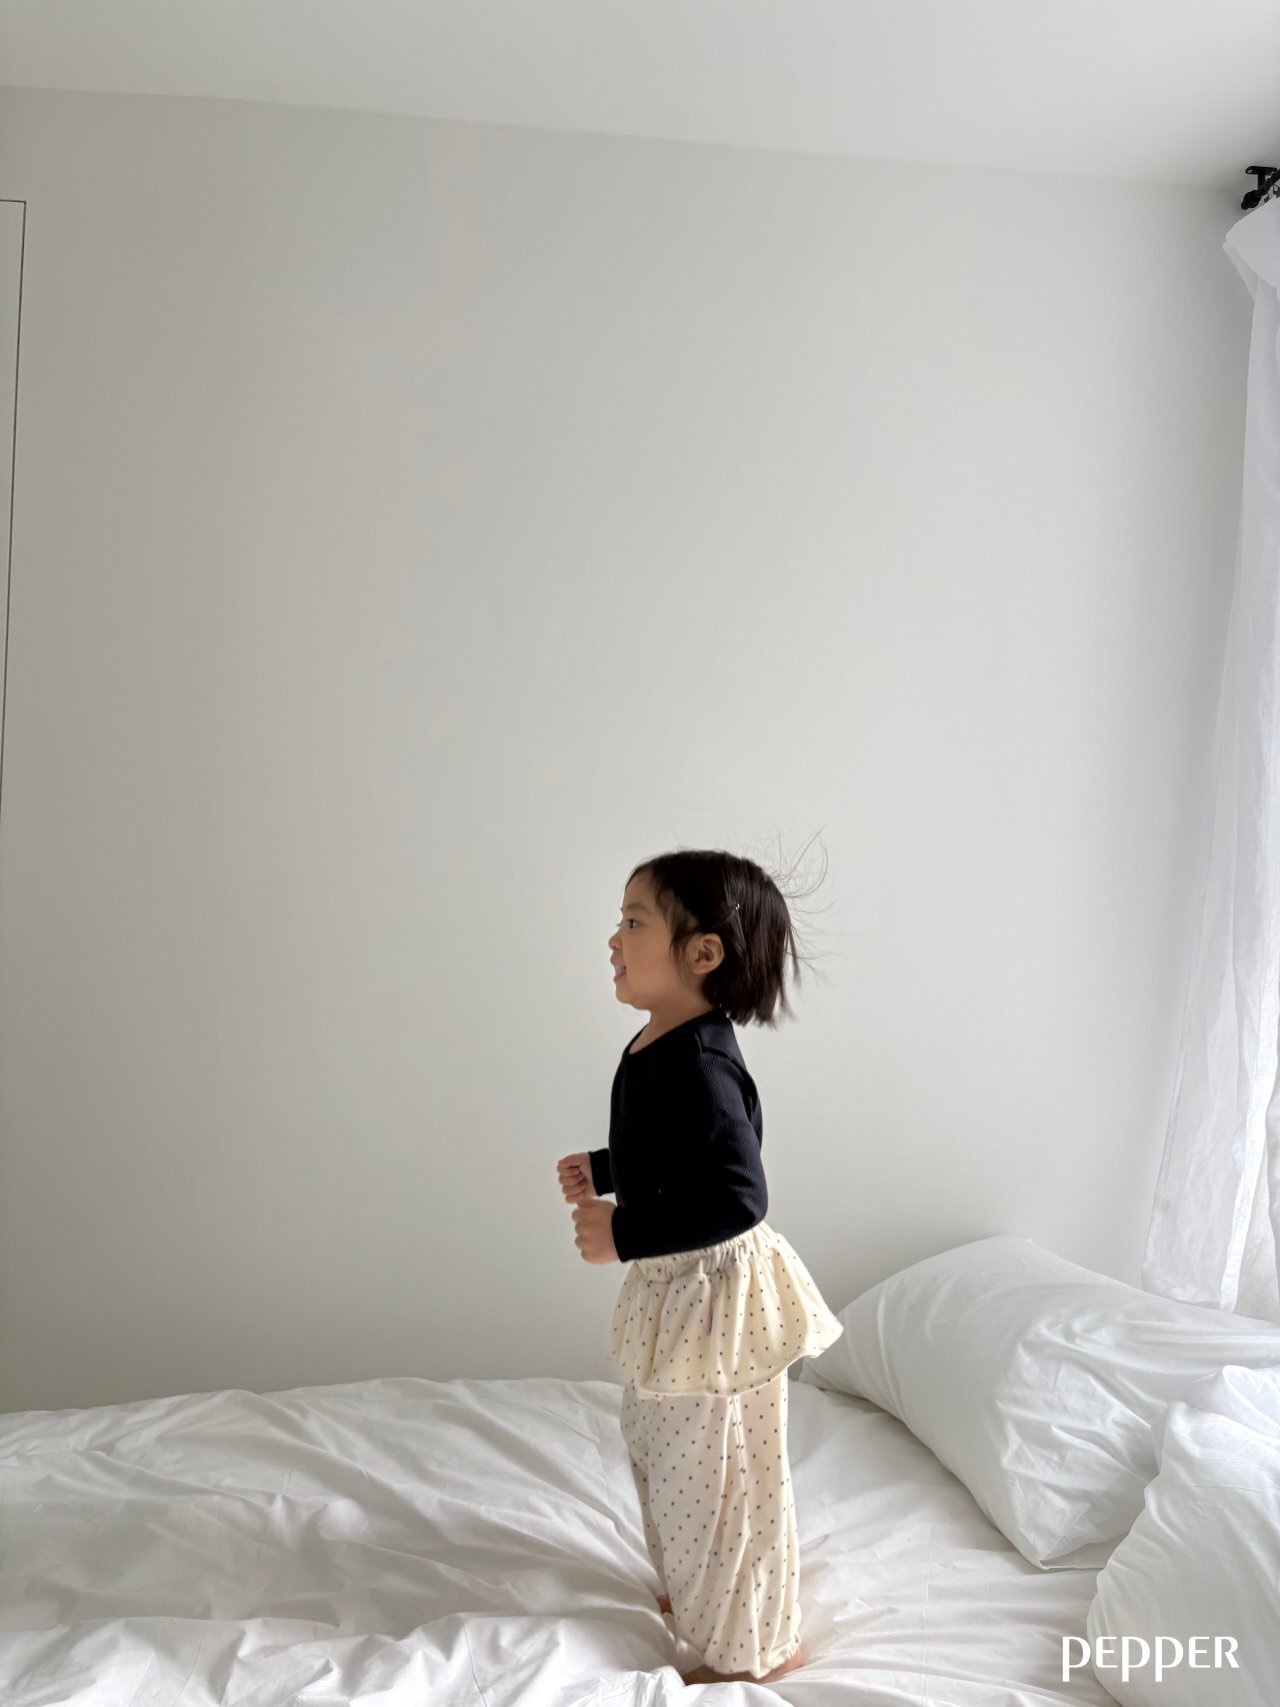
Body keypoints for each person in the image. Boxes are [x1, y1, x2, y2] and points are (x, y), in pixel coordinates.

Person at [556, 847, 844, 1686]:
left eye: (634, 921)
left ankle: (753, 1646)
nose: (614, 939)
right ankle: (697, 1590)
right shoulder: (662, 1042)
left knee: (719, 1470)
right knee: (661, 1447)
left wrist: (622, 1230)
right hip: (682, 1290)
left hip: (716, 1298)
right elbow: (674, 1152)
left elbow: (737, 1195)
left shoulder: (702, 1064)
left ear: (703, 952)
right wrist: (607, 1168)